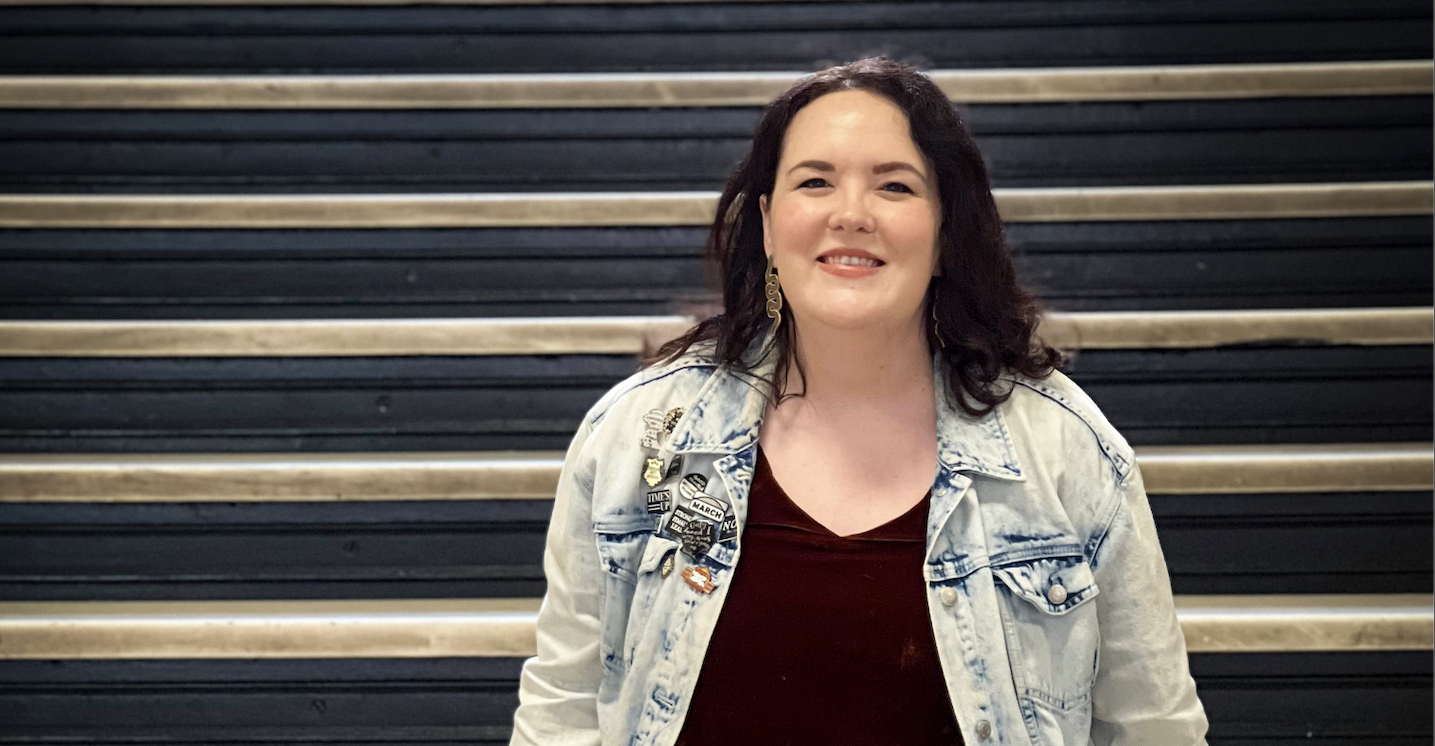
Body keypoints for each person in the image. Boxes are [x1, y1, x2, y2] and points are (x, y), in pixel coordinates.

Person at [509, 56, 1208, 746]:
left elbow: (1153, 726)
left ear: (943, 234)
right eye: (814, 182)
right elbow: (563, 711)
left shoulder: (1064, 448)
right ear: (767, 223)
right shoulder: (642, 435)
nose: (850, 214)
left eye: (895, 188)